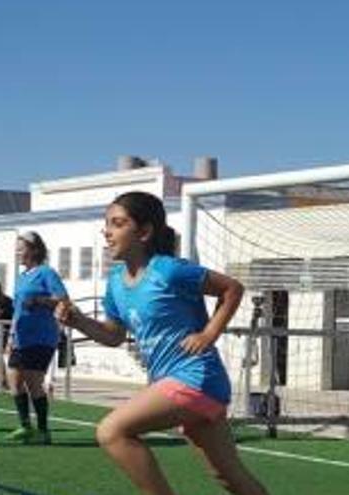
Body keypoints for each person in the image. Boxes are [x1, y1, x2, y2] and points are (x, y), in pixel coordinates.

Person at [56, 192, 268, 495]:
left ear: (144, 232)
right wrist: (77, 320)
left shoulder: (168, 270)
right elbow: (114, 335)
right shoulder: (116, 282)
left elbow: (232, 289)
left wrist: (208, 335)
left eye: (117, 224)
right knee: (229, 478)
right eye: (106, 224)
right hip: (175, 383)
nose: (107, 231)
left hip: (196, 377)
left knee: (112, 431)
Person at [5, 232, 69, 445]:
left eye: (21, 248)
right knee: (13, 380)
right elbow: (16, 311)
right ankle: (25, 425)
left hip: (41, 337)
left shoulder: (46, 273)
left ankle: (43, 430)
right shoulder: (21, 277)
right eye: (17, 249)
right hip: (21, 337)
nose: (17, 253)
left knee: (34, 382)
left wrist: (41, 301)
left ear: (34, 249)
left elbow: (63, 299)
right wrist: (11, 336)